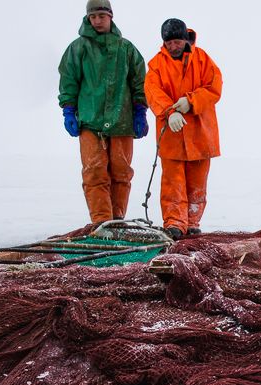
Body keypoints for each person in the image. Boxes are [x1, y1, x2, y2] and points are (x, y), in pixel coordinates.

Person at [58, 0, 149, 225]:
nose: (97, 20)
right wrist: (68, 110)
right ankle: (101, 223)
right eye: (93, 17)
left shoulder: (126, 48)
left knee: (121, 172)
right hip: (90, 121)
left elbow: (140, 81)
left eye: (101, 15)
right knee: (94, 172)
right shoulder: (78, 48)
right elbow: (68, 80)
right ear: (88, 19)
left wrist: (140, 110)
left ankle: (117, 221)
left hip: (123, 121)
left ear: (111, 16)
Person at [144, 18, 223, 240]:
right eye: (168, 42)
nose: (173, 46)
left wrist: (191, 101)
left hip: (200, 133)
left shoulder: (203, 59)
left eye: (177, 41)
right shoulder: (156, 65)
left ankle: (193, 222)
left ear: (185, 39)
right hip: (172, 133)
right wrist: (170, 112)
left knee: (197, 183)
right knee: (172, 182)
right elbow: (152, 92)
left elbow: (214, 88)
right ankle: (175, 223)